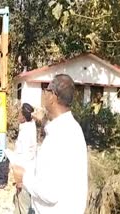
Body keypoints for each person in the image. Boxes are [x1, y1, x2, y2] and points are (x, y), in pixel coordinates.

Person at [12, 74, 88, 214]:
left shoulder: (60, 136)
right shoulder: (72, 129)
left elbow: (49, 192)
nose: (44, 94)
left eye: (46, 90)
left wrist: (23, 177)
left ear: (53, 96)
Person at [13, 103, 37, 214]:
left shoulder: (27, 133)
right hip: (25, 174)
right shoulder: (29, 126)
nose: (17, 115)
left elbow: (24, 158)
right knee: (18, 205)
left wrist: (19, 179)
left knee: (23, 207)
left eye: (19, 113)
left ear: (23, 116)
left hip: (24, 176)